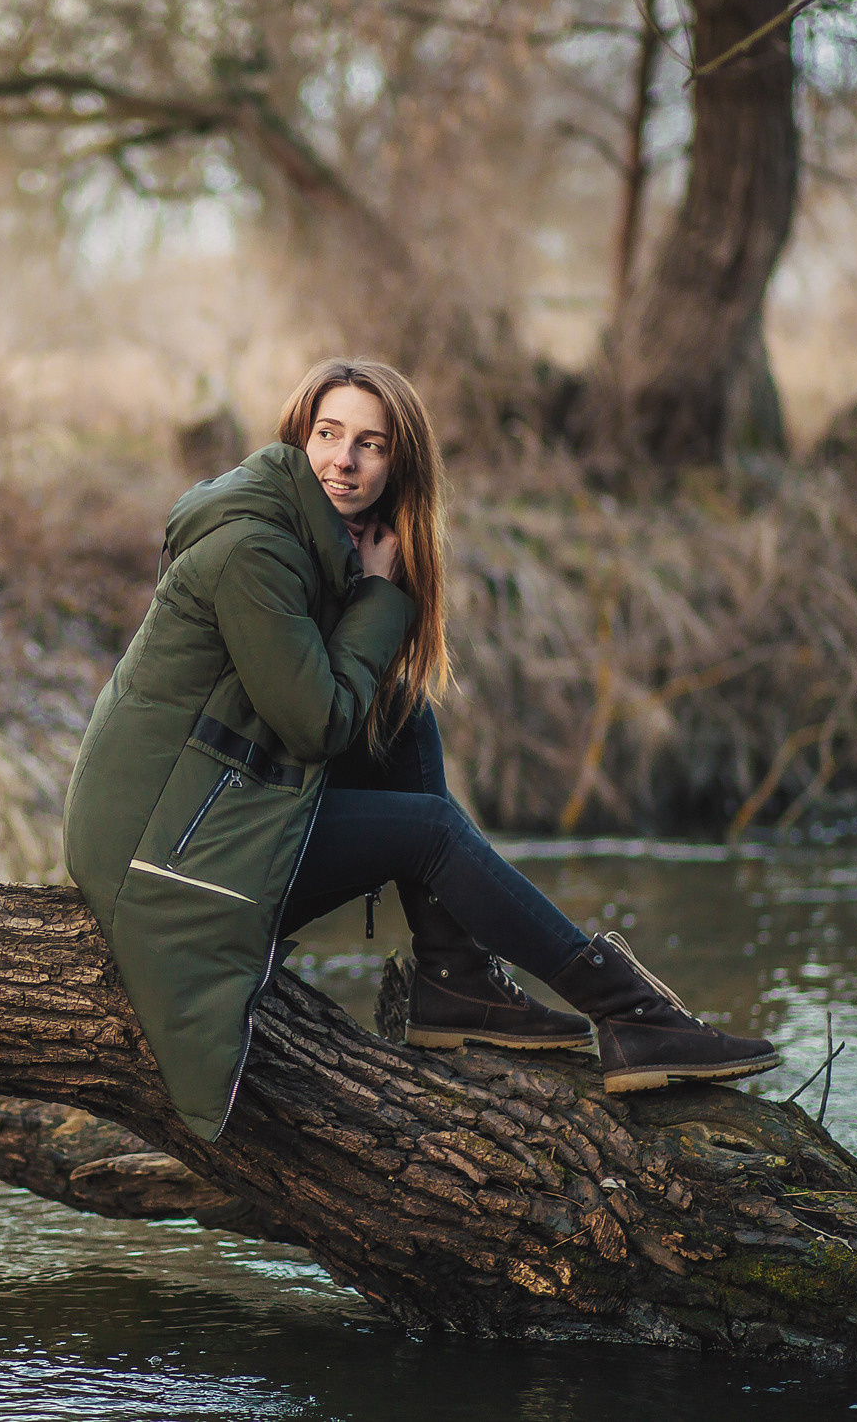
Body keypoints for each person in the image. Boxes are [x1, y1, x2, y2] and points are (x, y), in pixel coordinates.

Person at [64, 358, 779, 1141]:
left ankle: (456, 979)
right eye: (328, 434)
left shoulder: (297, 534)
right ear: (299, 436)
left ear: (399, 463)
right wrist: (377, 598)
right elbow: (317, 725)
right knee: (429, 829)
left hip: (197, 814)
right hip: (161, 857)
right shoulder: (252, 552)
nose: (344, 459)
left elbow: (338, 704)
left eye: (369, 444)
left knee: (402, 712)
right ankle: (628, 1009)